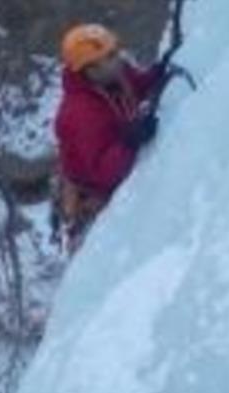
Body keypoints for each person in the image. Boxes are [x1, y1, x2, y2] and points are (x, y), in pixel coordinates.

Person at [54, 24, 169, 252]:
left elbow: (136, 86)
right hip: (95, 196)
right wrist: (130, 141)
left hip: (112, 163)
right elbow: (102, 173)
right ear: (90, 70)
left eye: (115, 51)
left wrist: (158, 72)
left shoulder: (114, 74)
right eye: (110, 56)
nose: (119, 58)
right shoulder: (80, 114)